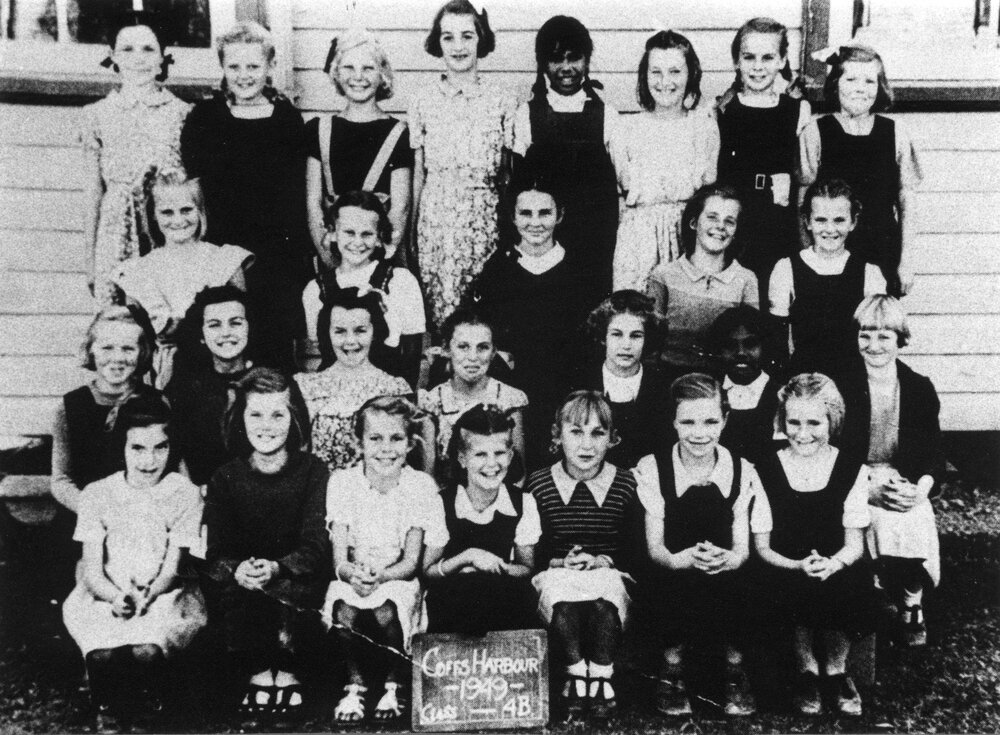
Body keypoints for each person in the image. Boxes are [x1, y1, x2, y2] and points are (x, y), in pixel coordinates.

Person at [63, 397, 206, 732]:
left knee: (145, 649)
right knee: (103, 652)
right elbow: (93, 570)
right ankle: (108, 706)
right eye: (137, 448)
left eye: (160, 447)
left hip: (164, 594)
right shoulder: (97, 494)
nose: (149, 459)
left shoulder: (183, 493)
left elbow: (173, 568)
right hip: (104, 594)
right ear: (121, 447)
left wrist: (148, 594)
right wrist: (115, 597)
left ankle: (149, 704)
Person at [181, 22, 311, 373]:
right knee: (220, 350)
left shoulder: (286, 121)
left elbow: (297, 197)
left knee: (273, 354)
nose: (244, 75)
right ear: (222, 67)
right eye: (234, 66)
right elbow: (194, 193)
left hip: (275, 259)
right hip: (220, 255)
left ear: (269, 67)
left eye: (253, 66)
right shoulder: (204, 119)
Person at [635, 374, 768, 717]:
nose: (699, 432)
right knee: (665, 586)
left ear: (725, 420)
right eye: (688, 422)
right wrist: (683, 560)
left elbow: (742, 548)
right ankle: (672, 666)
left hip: (722, 571)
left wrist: (727, 559)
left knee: (747, 584)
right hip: (673, 565)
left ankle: (734, 669)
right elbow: (656, 549)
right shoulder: (653, 468)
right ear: (673, 422)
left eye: (710, 421)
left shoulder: (741, 470)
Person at [204, 368, 328, 724]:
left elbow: (315, 543)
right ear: (240, 420)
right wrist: (237, 568)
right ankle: (258, 674)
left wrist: (277, 567)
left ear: (295, 419)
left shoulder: (313, 471)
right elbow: (216, 553)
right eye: (255, 414)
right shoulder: (226, 477)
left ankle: (289, 674)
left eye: (278, 414)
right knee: (240, 595)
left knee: (291, 591)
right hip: (245, 586)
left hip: (296, 579)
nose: (267, 424)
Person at [753, 373, 874, 717]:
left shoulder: (851, 468)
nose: (802, 433)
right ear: (782, 421)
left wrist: (833, 563)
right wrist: (796, 565)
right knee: (786, 586)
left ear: (832, 421)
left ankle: (836, 671)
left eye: (813, 422)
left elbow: (854, 544)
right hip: (784, 563)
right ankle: (806, 669)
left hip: (834, 562)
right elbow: (762, 546)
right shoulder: (765, 467)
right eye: (793, 422)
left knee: (849, 580)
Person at [324, 397, 447, 725]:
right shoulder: (343, 483)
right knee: (343, 609)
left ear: (410, 444)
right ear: (359, 442)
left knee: (386, 609)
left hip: (398, 577)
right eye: (375, 438)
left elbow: (411, 561)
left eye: (396, 439)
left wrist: (381, 577)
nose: (386, 448)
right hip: (354, 574)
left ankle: (394, 684)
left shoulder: (419, 487)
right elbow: (339, 558)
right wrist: (353, 574)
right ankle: (355, 684)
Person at [528, 391, 644, 720]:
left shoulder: (625, 484)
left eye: (598, 433)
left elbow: (633, 548)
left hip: (608, 573)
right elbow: (532, 549)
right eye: (576, 432)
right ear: (557, 436)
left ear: (613, 438)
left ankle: (603, 674)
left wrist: (604, 560)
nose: (586, 445)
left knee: (603, 600)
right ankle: (576, 672)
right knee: (560, 596)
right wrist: (559, 562)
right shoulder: (539, 484)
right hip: (557, 572)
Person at [467, 175, 592, 469]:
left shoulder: (579, 270)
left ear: (560, 215)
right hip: (513, 387)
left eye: (545, 213)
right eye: (525, 213)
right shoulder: (498, 269)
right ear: (512, 217)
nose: (535, 223)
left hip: (565, 385)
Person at [839, 295, 943, 646]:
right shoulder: (840, 383)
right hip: (852, 476)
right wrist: (864, 488)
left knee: (912, 513)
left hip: (900, 476)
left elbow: (932, 452)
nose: (874, 345)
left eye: (885, 336)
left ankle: (912, 601)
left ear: (901, 339)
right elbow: (832, 449)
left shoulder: (918, 387)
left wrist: (920, 489)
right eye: (865, 335)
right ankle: (877, 593)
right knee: (866, 515)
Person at [410, 0, 516, 327]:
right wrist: (411, 233)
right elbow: (419, 172)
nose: (458, 47)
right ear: (437, 42)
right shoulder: (422, 100)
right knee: (443, 317)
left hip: (486, 220)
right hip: (436, 221)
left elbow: (508, 173)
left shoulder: (502, 99)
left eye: (467, 36)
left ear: (481, 40)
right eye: (448, 37)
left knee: (485, 312)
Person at [80, 11, 190, 305]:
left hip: (167, 228)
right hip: (115, 233)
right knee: (119, 322)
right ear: (112, 56)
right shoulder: (97, 114)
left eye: (148, 49)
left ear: (163, 57)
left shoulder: (182, 113)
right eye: (127, 49)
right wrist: (90, 258)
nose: (138, 58)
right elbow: (93, 192)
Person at [800, 44, 922, 296]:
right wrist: (807, 256)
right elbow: (802, 201)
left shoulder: (895, 132)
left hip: (882, 247)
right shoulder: (816, 131)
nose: (860, 88)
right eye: (851, 79)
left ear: (880, 87)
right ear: (835, 84)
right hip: (830, 249)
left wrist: (906, 260)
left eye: (869, 81)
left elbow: (907, 200)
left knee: (876, 326)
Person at [112, 170, 253, 388]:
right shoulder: (138, 272)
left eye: (186, 210)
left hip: (221, 370)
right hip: (165, 375)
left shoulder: (225, 260)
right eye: (167, 212)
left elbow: (242, 324)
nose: (178, 220)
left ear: (200, 211)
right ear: (153, 216)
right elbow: (136, 339)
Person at [512, 15, 619, 298]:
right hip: (543, 236)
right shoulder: (527, 115)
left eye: (575, 58)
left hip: (593, 236)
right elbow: (517, 184)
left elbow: (619, 185)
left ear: (586, 60)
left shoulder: (606, 115)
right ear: (543, 63)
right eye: (557, 58)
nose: (567, 67)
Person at [167, 286, 308, 487]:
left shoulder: (274, 381)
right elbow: (178, 453)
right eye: (214, 325)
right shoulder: (185, 388)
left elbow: (299, 444)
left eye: (235, 323)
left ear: (250, 327)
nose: (226, 333)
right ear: (200, 334)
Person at [611, 30, 718, 291]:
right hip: (638, 243)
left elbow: (709, 191)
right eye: (655, 72)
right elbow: (619, 197)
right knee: (637, 316)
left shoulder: (702, 127)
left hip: (688, 237)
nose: (664, 81)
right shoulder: (626, 129)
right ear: (644, 75)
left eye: (675, 71)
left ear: (690, 74)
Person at [717, 17, 811, 303]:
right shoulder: (724, 110)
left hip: (778, 220)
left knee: (776, 299)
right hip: (737, 220)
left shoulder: (796, 111)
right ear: (736, 61)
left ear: (782, 60)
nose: (758, 66)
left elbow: (804, 174)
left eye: (768, 57)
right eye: (749, 57)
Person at [423, 405, 539, 633]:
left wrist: (496, 567)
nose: (491, 464)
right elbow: (429, 570)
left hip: (502, 595)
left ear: (511, 454)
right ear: (462, 458)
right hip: (454, 600)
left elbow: (527, 567)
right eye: (480, 454)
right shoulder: (443, 503)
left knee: (511, 597)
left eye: (499, 453)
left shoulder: (523, 503)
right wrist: (468, 558)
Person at [305, 29, 412, 260]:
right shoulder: (319, 130)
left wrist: (377, 265)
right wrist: (330, 261)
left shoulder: (399, 133)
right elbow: (313, 204)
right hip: (333, 256)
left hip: (378, 258)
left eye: (368, 68)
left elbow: (399, 209)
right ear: (336, 73)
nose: (358, 76)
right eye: (349, 68)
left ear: (382, 74)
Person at [300, 191, 425, 385]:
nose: (358, 243)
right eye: (349, 233)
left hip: (385, 396)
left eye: (366, 234)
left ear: (378, 238)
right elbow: (323, 350)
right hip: (333, 393)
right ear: (332, 233)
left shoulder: (401, 281)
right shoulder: (315, 290)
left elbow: (412, 356)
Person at [768, 178, 886, 380]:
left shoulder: (870, 273)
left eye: (839, 220)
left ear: (853, 222)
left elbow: (877, 339)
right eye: (821, 220)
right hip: (804, 380)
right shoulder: (786, 268)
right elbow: (777, 342)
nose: (830, 229)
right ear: (807, 222)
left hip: (854, 378)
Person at [51, 306, 161, 519]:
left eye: (128, 349)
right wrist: (98, 512)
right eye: (107, 348)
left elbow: (174, 469)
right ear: (91, 350)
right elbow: (61, 480)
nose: (117, 358)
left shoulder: (158, 403)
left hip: (144, 517)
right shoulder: (70, 406)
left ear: (142, 352)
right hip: (85, 516)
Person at [646, 184, 759, 375]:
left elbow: (750, 343)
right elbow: (651, 343)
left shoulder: (745, 279)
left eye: (729, 221)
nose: (720, 227)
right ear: (693, 222)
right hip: (669, 379)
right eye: (712, 217)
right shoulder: (663, 275)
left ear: (736, 231)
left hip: (721, 382)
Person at [294, 290, 413, 472]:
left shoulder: (394, 388)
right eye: (340, 331)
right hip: (322, 494)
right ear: (328, 333)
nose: (350, 341)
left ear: (374, 332)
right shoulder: (306, 386)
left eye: (360, 331)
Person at [419, 307, 528, 483]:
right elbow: (429, 475)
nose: (473, 357)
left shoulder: (510, 399)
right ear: (446, 349)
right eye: (463, 347)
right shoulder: (432, 401)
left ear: (493, 352)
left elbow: (519, 475)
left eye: (482, 348)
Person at [574, 290, 671, 470]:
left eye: (636, 336)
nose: (626, 345)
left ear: (647, 339)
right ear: (603, 337)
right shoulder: (578, 382)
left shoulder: (663, 388)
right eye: (617, 334)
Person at [707, 305, 784, 466]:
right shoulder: (709, 394)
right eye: (730, 345)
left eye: (751, 344)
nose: (741, 353)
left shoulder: (782, 396)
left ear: (765, 346)